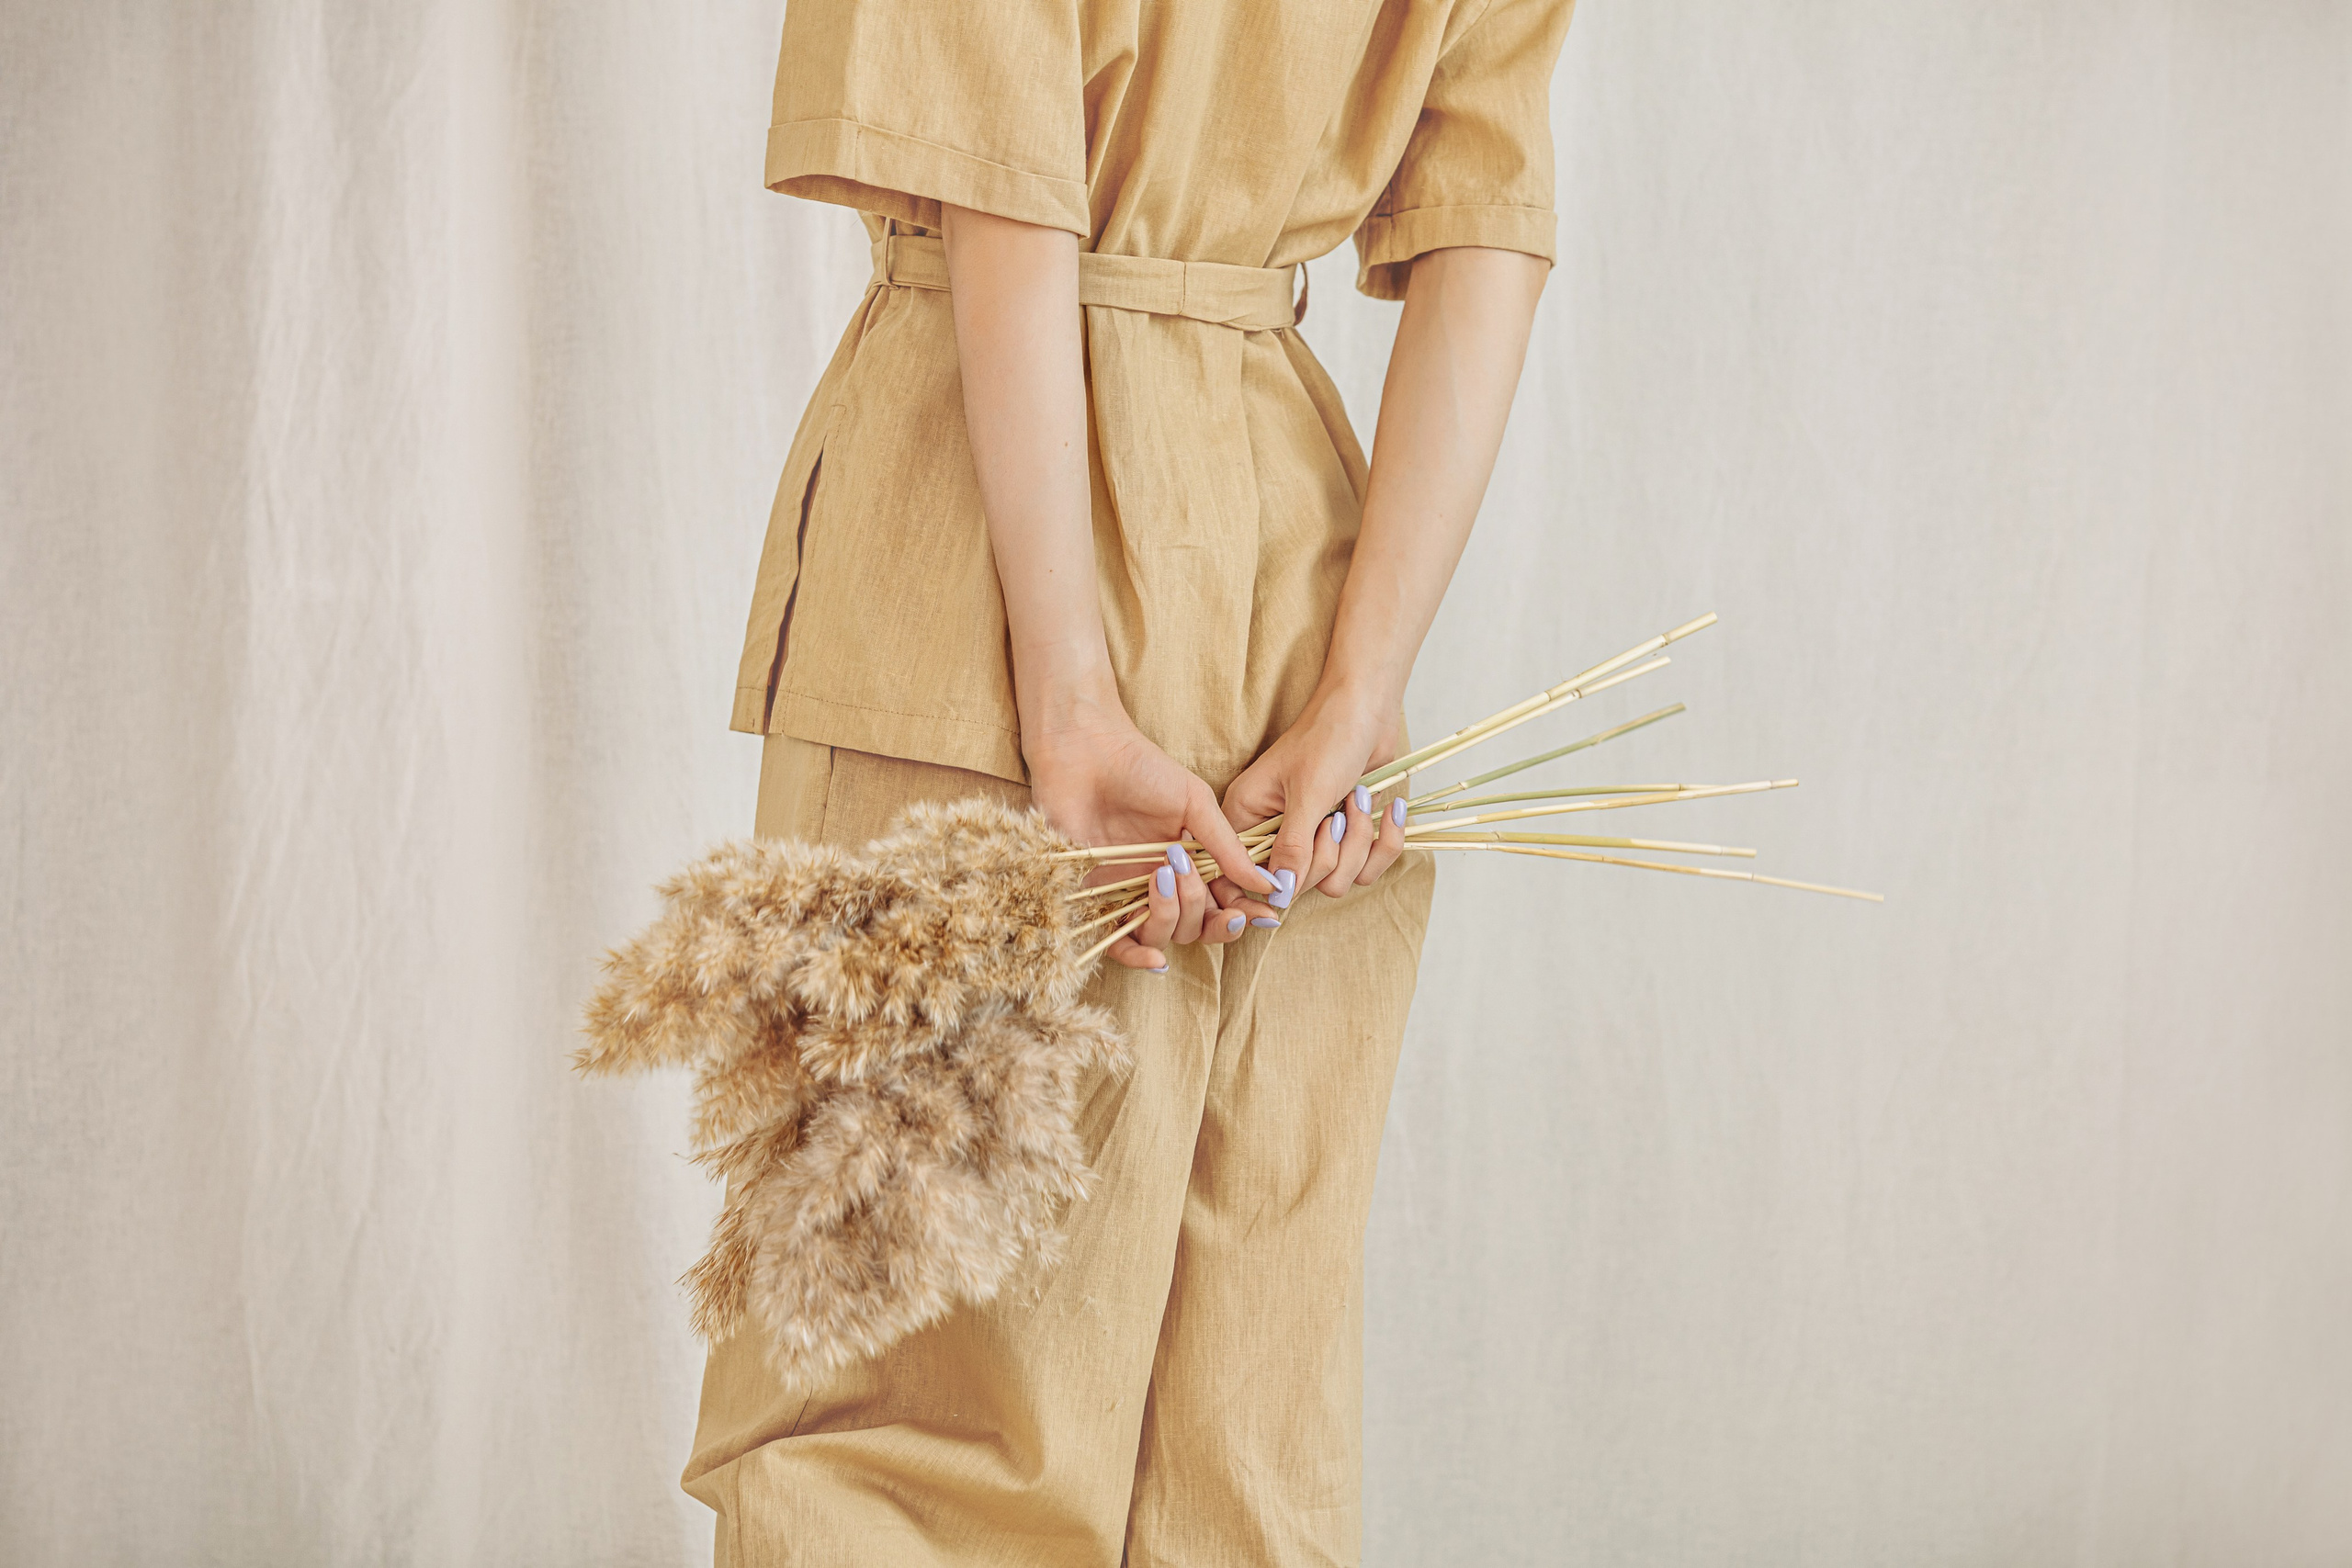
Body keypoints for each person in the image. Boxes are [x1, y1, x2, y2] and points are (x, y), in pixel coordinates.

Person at [690, 1, 1573, 1561]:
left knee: (908, 1418)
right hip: (1296, 589)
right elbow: (1483, 227)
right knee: (1241, 1427)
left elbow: (1003, 173)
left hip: (981, 557)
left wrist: (1069, 695)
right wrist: (1363, 686)